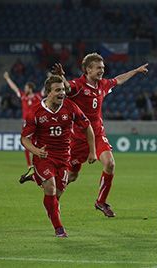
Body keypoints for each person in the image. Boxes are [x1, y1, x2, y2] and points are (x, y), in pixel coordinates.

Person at [52, 53, 148, 217]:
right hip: (78, 138)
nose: (102, 71)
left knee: (110, 163)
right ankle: (52, 200)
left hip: (97, 134)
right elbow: (67, 88)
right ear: (88, 69)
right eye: (98, 68)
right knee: (72, 175)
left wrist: (136, 71)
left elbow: (118, 79)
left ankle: (101, 201)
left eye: (103, 68)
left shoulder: (102, 84)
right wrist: (62, 77)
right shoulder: (78, 85)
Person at [20, 75, 96, 237]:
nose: (62, 93)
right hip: (44, 157)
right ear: (48, 93)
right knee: (50, 187)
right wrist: (36, 151)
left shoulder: (70, 107)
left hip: (64, 158)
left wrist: (92, 151)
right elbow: (24, 139)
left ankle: (37, 181)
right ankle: (59, 229)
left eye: (63, 89)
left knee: (58, 194)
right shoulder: (35, 112)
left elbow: (87, 127)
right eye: (57, 90)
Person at [3, 71, 43, 167]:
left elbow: (45, 90)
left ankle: (40, 162)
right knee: (26, 143)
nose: (24, 89)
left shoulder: (37, 97)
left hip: (36, 123)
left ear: (30, 88)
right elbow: (14, 88)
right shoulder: (23, 97)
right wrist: (8, 79)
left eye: (26, 88)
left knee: (38, 142)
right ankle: (30, 165)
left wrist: (51, 78)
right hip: (26, 124)